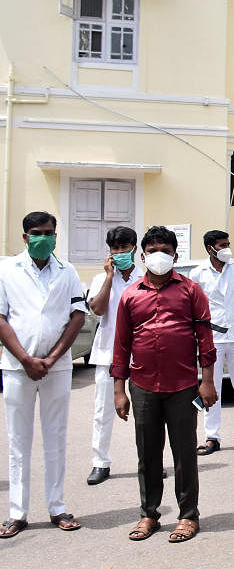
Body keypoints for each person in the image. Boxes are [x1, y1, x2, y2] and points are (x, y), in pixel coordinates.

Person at [111, 225, 219, 544]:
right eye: (153, 249)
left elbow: (205, 339)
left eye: (165, 249)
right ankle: (149, 513)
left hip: (183, 385)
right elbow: (121, 345)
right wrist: (119, 390)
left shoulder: (190, 290)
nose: (158, 255)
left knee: (184, 451)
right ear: (143, 255)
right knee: (147, 452)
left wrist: (208, 382)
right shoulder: (130, 295)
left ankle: (188, 515)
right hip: (142, 385)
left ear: (175, 254)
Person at [0, 211, 87, 538]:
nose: (44, 238)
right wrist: (25, 359)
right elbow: (1, 318)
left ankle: (57, 507)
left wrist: (50, 359)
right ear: (25, 237)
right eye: (37, 233)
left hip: (57, 367)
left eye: (49, 232)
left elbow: (77, 316)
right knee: (18, 441)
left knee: (55, 437)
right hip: (17, 368)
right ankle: (17, 512)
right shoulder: (6, 269)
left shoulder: (67, 271)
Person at [85, 225, 143, 486]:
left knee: (148, 413)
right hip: (108, 354)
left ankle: (149, 461)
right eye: (115, 249)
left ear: (134, 247)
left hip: (143, 355)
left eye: (124, 247)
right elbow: (96, 310)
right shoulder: (101, 279)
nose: (120, 252)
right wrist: (109, 277)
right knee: (102, 411)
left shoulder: (145, 277)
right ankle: (100, 462)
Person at [192, 230, 234, 456]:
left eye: (228, 243)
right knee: (211, 387)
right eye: (222, 245)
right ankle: (212, 436)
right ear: (210, 248)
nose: (227, 248)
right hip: (212, 337)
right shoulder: (197, 273)